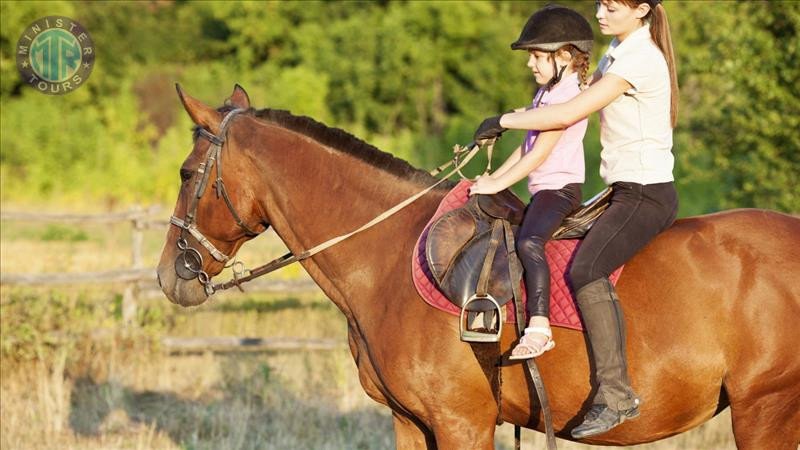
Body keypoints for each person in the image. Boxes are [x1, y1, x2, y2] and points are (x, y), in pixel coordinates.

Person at [473, 0, 679, 439]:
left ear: (641, 10)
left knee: (586, 268)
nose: (601, 12)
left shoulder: (639, 59)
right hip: (621, 190)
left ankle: (617, 394)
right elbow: (560, 111)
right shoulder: (614, 54)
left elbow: (568, 114)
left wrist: (504, 119)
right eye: (601, 3)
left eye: (611, 5)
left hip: (646, 194)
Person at [469, 4, 593, 362]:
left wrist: (498, 185)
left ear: (565, 56)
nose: (530, 63)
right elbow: (526, 148)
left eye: (537, 56)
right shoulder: (546, 94)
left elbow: (539, 156)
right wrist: (493, 177)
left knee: (530, 242)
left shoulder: (568, 96)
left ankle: (540, 327)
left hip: (560, 191)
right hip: (543, 189)